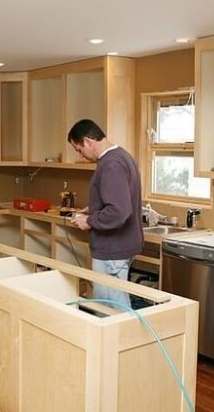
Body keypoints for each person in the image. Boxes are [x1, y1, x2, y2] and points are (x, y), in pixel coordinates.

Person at [68, 119, 142, 308]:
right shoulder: (121, 156)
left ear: (88, 141)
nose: (81, 155)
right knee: (115, 305)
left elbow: (119, 211)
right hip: (117, 248)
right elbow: (118, 200)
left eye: (79, 149)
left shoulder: (111, 164)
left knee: (111, 310)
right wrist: (93, 209)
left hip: (112, 250)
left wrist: (90, 221)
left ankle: (126, 339)